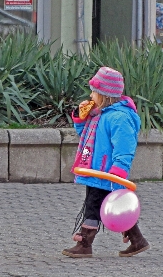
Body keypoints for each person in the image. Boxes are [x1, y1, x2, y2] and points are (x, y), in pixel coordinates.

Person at [62, 67, 150, 258]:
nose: (91, 96)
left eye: (94, 92)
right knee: (112, 206)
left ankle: (85, 244)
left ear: (105, 95)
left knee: (93, 206)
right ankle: (137, 240)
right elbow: (84, 136)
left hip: (107, 173)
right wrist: (80, 118)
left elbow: (125, 147)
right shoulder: (98, 115)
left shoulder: (119, 118)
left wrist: (119, 169)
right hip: (96, 172)